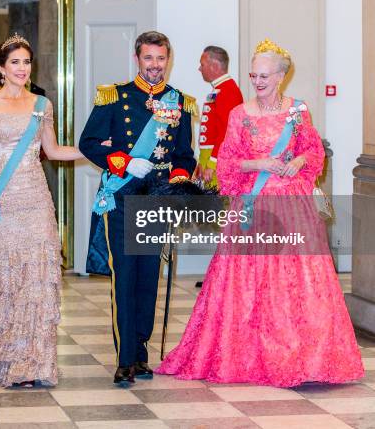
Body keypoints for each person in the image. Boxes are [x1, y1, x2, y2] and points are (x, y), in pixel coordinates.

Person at [157, 39, 364, 387]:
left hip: (292, 208)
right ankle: (249, 355)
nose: (257, 81)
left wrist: (297, 161)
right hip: (252, 208)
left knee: (295, 284)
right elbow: (226, 162)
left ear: (281, 76)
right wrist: (261, 163)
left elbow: (312, 151)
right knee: (248, 282)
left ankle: (305, 359)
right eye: (253, 74)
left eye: (264, 75)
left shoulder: (298, 111)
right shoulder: (240, 113)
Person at [0, 33, 85, 388]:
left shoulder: (42, 105)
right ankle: (2, 357)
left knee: (37, 276)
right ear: (0, 68)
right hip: (0, 198)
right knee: (5, 276)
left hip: (35, 198)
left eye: (26, 62)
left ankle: (32, 362)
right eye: (15, 62)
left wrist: (97, 153)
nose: (22, 68)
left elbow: (54, 151)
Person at [79, 31, 197, 386]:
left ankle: (142, 354)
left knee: (148, 278)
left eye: (161, 59)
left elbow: (184, 157)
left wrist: (177, 183)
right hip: (123, 196)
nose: (155, 66)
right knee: (125, 277)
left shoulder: (180, 102)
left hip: (157, 199)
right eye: (149, 58)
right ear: (137, 59)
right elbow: (87, 142)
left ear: (168, 60)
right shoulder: (113, 97)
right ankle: (124, 356)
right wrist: (124, 162)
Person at [195, 46, 243, 190]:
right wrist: (203, 162)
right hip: (209, 156)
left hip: (218, 159)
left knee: (218, 208)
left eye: (202, 64)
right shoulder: (221, 88)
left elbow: (226, 131)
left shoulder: (228, 90)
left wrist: (213, 163)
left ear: (214, 66)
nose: (199, 68)